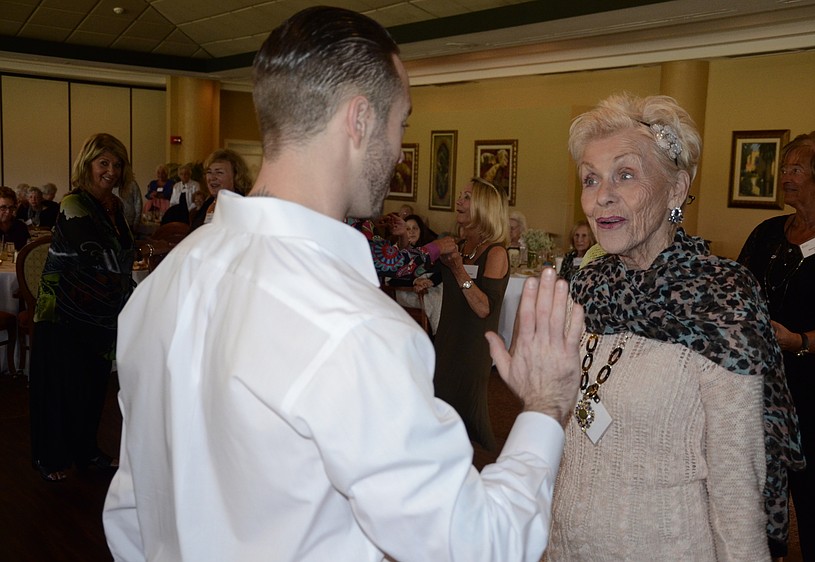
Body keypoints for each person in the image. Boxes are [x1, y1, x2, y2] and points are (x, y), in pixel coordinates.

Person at [103, 7, 586, 561]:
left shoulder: (164, 284)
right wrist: (545, 407)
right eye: (401, 122)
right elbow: (480, 545)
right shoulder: (355, 329)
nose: (401, 149)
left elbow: (131, 511)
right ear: (359, 120)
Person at [543, 93, 803, 561]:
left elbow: (736, 481)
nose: (602, 195)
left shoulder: (720, 299)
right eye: (590, 178)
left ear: (677, 189)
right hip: (568, 541)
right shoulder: (586, 287)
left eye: (625, 174)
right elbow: (567, 431)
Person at [738, 129, 815, 561]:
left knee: (811, 491)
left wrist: (798, 341)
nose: (785, 176)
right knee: (756, 485)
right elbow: (736, 290)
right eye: (784, 168)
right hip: (759, 384)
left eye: (796, 169)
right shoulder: (767, 232)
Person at [29, 132, 136, 483]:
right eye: (103, 163)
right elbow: (100, 254)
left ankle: (86, 450)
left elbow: (126, 252)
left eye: (117, 164)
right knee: (58, 388)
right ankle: (49, 456)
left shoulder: (116, 208)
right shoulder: (73, 203)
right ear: (87, 165)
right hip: (62, 309)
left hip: (100, 312)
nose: (111, 170)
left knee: (91, 387)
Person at [417, 177, 510, 452]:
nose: (459, 201)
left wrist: (458, 268)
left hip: (472, 347)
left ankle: (477, 465)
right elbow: (434, 274)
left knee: (465, 412)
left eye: (467, 197)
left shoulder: (496, 253)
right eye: (460, 195)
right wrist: (425, 279)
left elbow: (484, 308)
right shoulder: (456, 244)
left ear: (484, 207)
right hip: (447, 338)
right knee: (439, 403)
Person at [189, 148, 252, 231]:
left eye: (219, 172)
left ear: (236, 176)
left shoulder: (241, 207)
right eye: (209, 172)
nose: (212, 178)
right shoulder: (208, 203)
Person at [0, 185, 30, 249]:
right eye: (3, 207)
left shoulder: (20, 227)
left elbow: (24, 253)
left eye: (11, 208)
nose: (8, 212)